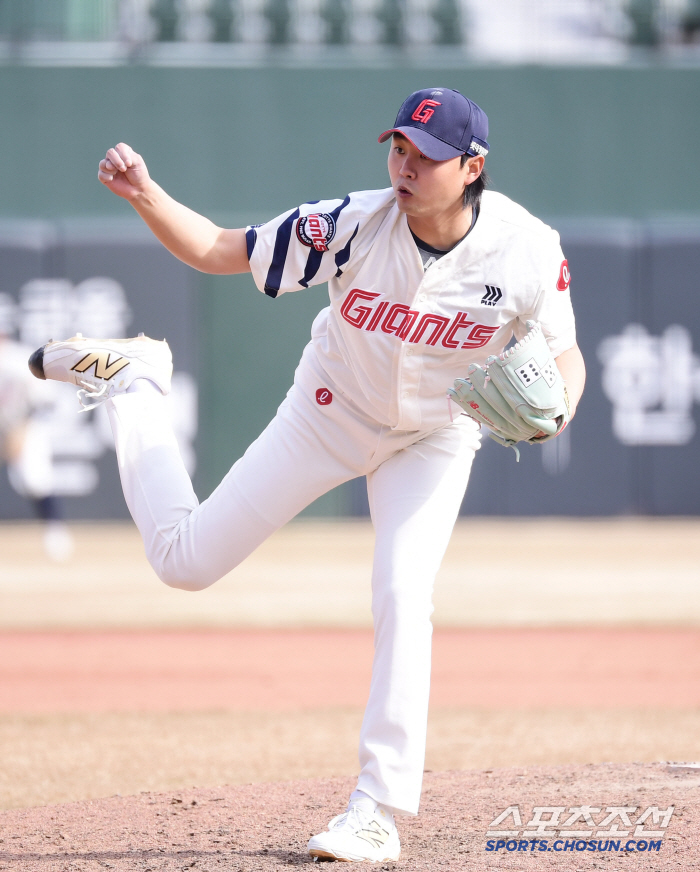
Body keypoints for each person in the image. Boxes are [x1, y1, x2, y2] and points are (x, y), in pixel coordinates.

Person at [28, 88, 585, 862]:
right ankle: (138, 382)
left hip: (433, 436)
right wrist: (148, 195)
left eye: (425, 156)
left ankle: (375, 811)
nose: (405, 166)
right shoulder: (353, 223)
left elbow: (564, 353)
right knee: (183, 562)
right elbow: (221, 249)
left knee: (403, 592)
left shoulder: (527, 248)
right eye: (398, 148)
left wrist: (561, 410)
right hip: (329, 411)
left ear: (471, 167)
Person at [0, 294, 74, 562]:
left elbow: (48, 399)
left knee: (34, 478)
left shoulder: (17, 359)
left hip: (24, 425)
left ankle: (55, 533)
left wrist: (21, 429)